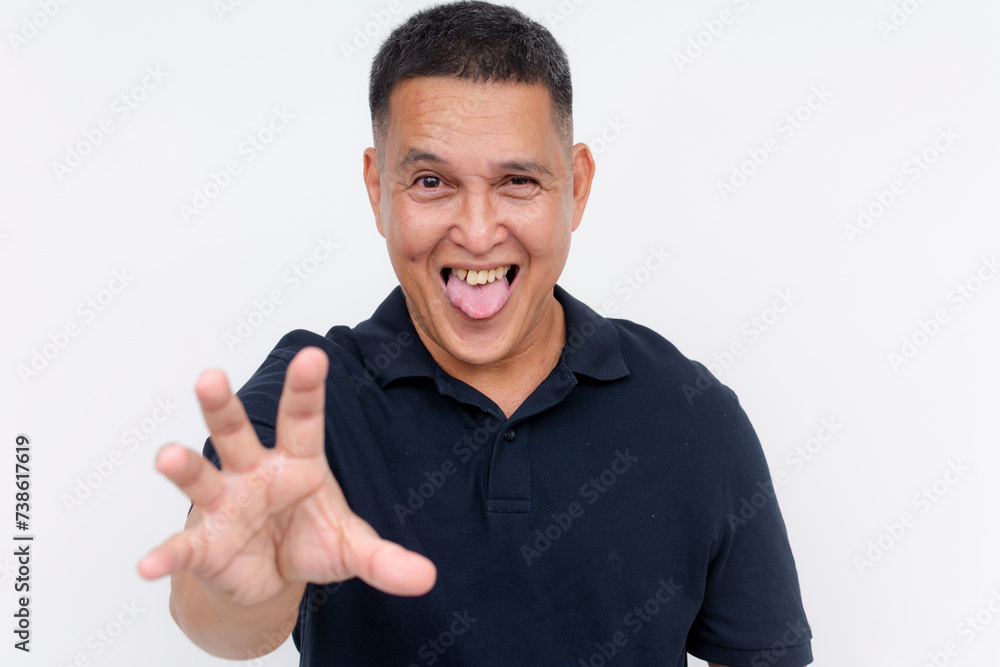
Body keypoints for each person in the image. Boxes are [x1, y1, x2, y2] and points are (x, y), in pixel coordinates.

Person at [138, 2, 813, 665]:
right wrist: (245, 585)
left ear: (575, 187)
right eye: (431, 181)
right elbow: (218, 618)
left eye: (518, 181)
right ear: (378, 188)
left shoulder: (690, 410)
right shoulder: (310, 399)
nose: (479, 231)